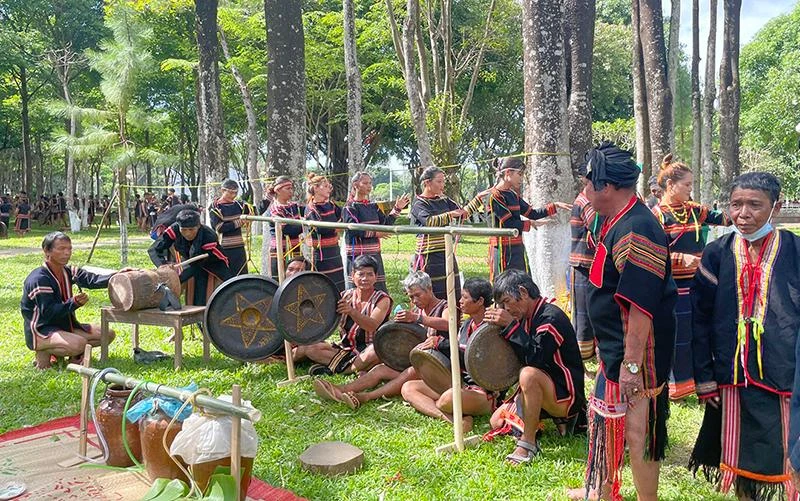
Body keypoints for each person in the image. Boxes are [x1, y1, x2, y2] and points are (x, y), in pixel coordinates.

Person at [567, 142, 677, 501]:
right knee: (605, 419)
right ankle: (598, 490)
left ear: (607, 187)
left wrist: (631, 364)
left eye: (587, 183)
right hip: (615, 348)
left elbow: (641, 307)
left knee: (638, 431)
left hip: (640, 353)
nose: (583, 190)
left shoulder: (638, 228)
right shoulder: (616, 218)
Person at [690, 172, 800, 501]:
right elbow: (700, 318)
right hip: (732, 377)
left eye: (755, 205)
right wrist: (705, 377)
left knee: (789, 454)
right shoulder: (718, 252)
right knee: (738, 457)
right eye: (736, 205)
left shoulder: (794, 251)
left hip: (784, 376)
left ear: (776, 207)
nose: (743, 214)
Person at [481, 270, 585, 464]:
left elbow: (535, 359)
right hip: (545, 387)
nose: (505, 308)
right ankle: (553, 422)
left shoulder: (550, 317)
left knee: (528, 374)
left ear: (523, 292)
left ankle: (528, 442)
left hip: (565, 395)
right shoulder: (525, 318)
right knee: (497, 421)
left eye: (506, 302)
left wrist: (511, 326)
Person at [652, 154, 730, 400]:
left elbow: (725, 218)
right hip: (673, 287)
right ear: (670, 185)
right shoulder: (656, 216)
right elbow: (654, 254)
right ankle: (677, 386)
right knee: (679, 336)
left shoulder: (694, 211)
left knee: (700, 331)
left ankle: (701, 381)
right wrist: (679, 259)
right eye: (686, 185)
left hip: (699, 284)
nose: (690, 189)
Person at [312, 271, 449, 410]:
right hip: (418, 361)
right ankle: (341, 390)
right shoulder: (418, 309)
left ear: (430, 289)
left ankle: (366, 397)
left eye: (417, 295)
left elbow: (448, 323)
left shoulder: (445, 307)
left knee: (411, 372)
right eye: (411, 297)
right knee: (380, 370)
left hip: (439, 367)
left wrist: (416, 318)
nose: (414, 300)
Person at [20, 232, 133, 369]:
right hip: (42, 330)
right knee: (80, 343)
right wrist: (73, 303)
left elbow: (93, 280)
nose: (67, 253)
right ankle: (44, 350)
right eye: (61, 249)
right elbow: (49, 313)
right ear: (47, 251)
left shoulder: (67, 271)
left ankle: (71, 357)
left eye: (69, 248)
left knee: (107, 334)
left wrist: (118, 275)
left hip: (64, 326)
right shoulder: (39, 279)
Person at [401, 278, 498, 432]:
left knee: (446, 400)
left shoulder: (492, 329)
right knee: (408, 388)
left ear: (479, 301)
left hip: (482, 393)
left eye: (465, 297)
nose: (460, 301)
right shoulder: (466, 325)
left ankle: (452, 408)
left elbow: (481, 361)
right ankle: (454, 419)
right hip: (459, 384)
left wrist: (442, 343)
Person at [463, 157, 571, 281]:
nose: (521, 178)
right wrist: (530, 223)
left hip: (517, 247)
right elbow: (509, 223)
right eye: (519, 174)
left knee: (521, 283)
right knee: (505, 286)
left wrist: (554, 206)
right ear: (508, 173)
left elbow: (532, 213)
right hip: (502, 250)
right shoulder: (495, 196)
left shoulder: (513, 194)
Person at [294, 255, 392, 374]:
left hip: (369, 349)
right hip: (345, 349)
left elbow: (371, 326)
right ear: (352, 276)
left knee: (376, 352)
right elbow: (324, 317)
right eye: (361, 274)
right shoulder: (345, 296)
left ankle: (340, 369)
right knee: (311, 349)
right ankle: (355, 367)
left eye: (370, 274)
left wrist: (351, 311)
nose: (365, 278)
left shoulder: (383, 299)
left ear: (376, 277)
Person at [148, 209, 233, 306]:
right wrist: (163, 265)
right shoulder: (174, 229)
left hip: (213, 264)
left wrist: (180, 277)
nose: (187, 233)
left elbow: (197, 263)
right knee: (183, 288)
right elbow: (154, 249)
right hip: (191, 261)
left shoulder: (209, 236)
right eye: (183, 230)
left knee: (222, 295)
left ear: (198, 226)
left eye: (191, 230)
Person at [343, 172, 410, 292]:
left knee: (377, 289)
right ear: (355, 185)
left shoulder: (373, 206)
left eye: (370, 183)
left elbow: (385, 224)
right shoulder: (350, 207)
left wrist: (397, 209)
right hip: (358, 255)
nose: (369, 186)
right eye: (365, 183)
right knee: (358, 290)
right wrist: (376, 233)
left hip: (374, 254)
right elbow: (353, 229)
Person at [410, 166, 467, 299]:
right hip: (428, 256)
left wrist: (478, 200)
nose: (442, 185)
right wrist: (451, 214)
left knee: (452, 291)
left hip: (446, 253)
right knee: (431, 293)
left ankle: (452, 319)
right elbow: (430, 222)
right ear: (427, 183)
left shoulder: (444, 200)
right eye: (439, 182)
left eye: (443, 182)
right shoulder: (419, 203)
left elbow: (462, 212)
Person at [569, 181, 601, 364]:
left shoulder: (584, 201)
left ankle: (587, 353)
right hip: (583, 263)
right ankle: (581, 355)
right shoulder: (585, 203)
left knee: (589, 308)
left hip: (587, 264)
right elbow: (597, 227)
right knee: (583, 312)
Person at [305, 173, 345, 292]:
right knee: (323, 284)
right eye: (326, 186)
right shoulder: (311, 208)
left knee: (339, 283)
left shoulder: (331, 205)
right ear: (316, 188)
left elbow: (344, 215)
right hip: (321, 254)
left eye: (329, 186)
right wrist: (337, 227)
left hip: (334, 251)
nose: (329, 188)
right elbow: (320, 229)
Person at [209, 179, 253, 276]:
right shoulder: (215, 207)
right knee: (227, 277)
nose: (233, 195)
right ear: (222, 191)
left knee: (242, 276)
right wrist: (239, 222)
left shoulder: (239, 205)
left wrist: (269, 197)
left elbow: (255, 212)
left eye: (235, 193)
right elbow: (219, 228)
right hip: (223, 248)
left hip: (239, 247)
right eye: (230, 192)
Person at [266, 176, 304, 279]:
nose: (291, 191)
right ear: (278, 190)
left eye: (291, 188)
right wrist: (303, 224)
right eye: (287, 189)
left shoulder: (294, 206)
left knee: (296, 279)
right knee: (279, 278)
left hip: (295, 247)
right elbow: (288, 230)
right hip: (279, 250)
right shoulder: (275, 209)